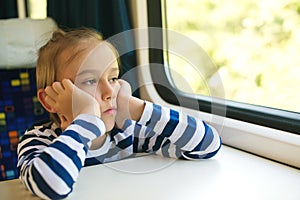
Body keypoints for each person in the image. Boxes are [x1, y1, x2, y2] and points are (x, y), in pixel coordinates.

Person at [17, 28, 222, 199]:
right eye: (90, 81)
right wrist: (86, 117)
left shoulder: (127, 133)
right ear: (50, 100)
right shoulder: (39, 140)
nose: (109, 92)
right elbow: (51, 186)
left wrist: (135, 108)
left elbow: (207, 145)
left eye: (113, 79)